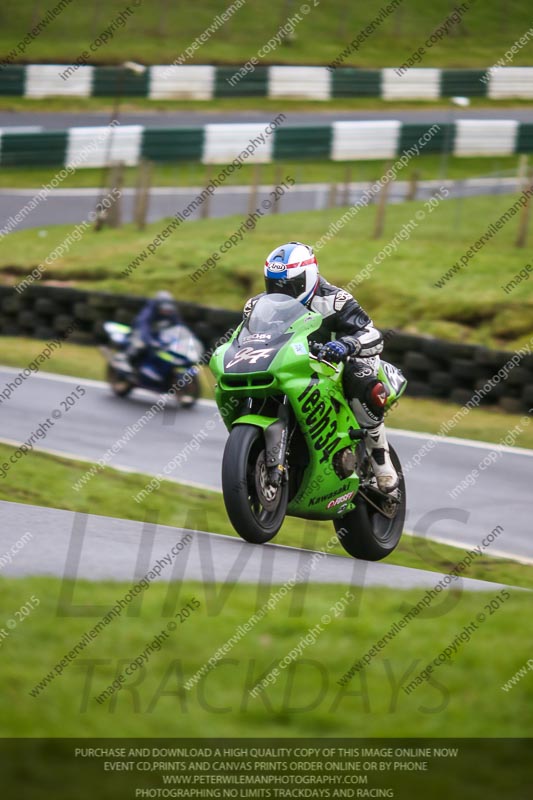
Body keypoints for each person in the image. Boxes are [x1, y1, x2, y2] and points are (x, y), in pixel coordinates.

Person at [244, 242, 402, 493]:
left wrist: (347, 344)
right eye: (274, 285)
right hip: (294, 364)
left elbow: (372, 334)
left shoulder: (335, 300)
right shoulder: (257, 306)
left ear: (309, 277)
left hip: (338, 364)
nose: (281, 292)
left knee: (358, 377)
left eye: (289, 286)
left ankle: (380, 458)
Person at [128, 290, 181, 369]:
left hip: (159, 338)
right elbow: (143, 326)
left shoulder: (172, 313)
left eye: (168, 309)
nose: (166, 311)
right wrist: (150, 341)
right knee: (139, 345)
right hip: (143, 335)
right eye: (164, 309)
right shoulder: (148, 312)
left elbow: (179, 326)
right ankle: (129, 363)